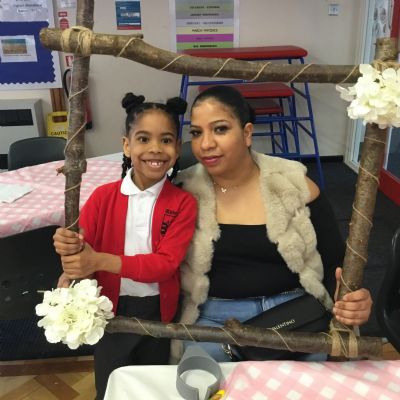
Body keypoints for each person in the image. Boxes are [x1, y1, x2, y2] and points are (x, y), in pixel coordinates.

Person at [171, 85, 373, 363]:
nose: (205, 144)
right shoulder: (182, 192)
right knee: (206, 382)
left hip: (293, 315)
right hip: (213, 320)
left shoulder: (294, 184)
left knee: (307, 384)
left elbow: (335, 264)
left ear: (247, 133)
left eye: (220, 129)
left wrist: (352, 299)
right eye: (196, 133)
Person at [53, 93, 197, 399]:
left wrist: (99, 260)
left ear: (177, 147)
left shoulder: (183, 203)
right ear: (127, 145)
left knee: (153, 384)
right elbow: (82, 251)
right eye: (143, 139)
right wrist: (68, 247)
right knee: (112, 384)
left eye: (166, 140)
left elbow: (166, 264)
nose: (155, 148)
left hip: (158, 309)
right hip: (109, 309)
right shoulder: (103, 197)